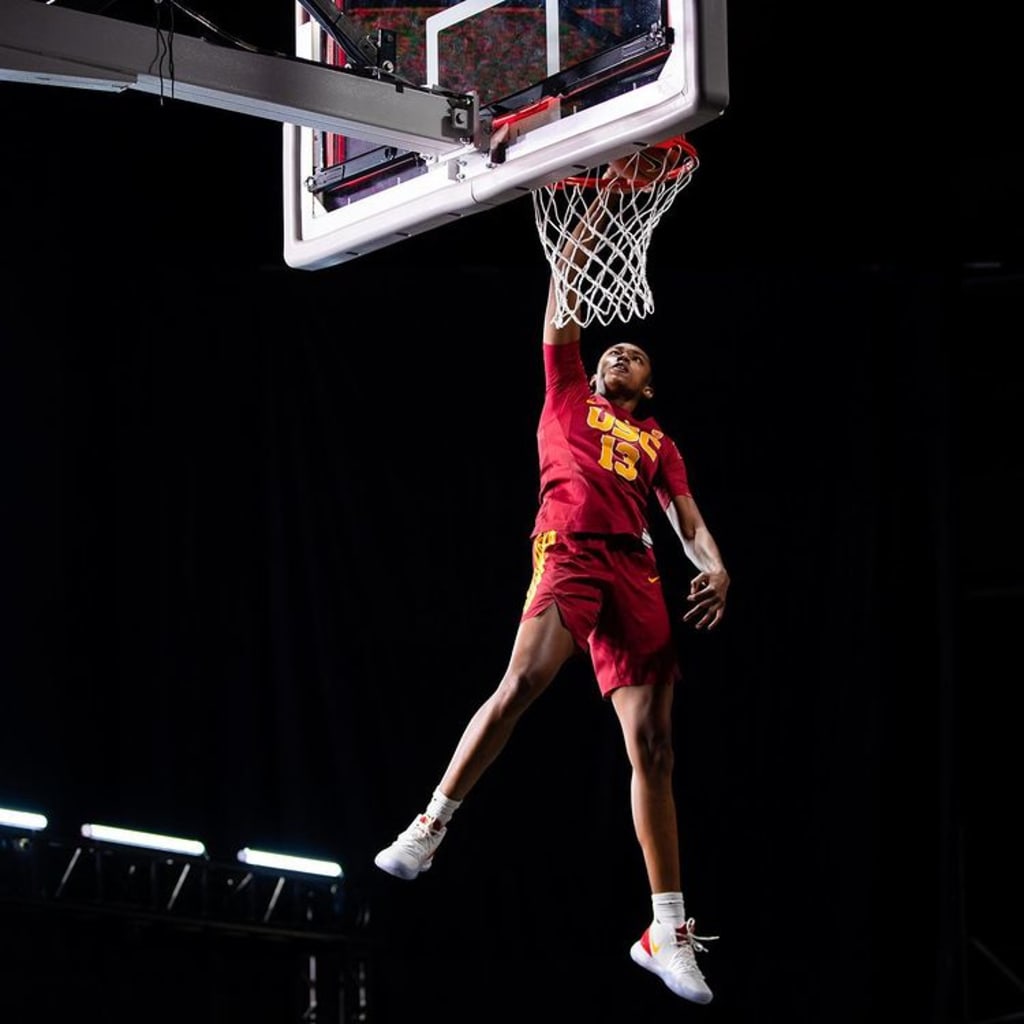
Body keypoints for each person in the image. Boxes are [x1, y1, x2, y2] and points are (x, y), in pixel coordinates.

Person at [374, 175, 730, 1004]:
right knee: (524, 680)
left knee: (655, 749)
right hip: (569, 549)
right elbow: (568, 273)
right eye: (612, 350)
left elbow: (687, 522)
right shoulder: (566, 388)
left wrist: (715, 565)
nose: (619, 354)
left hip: (636, 569)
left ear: (648, 385)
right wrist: (607, 197)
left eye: (634, 355)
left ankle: (666, 929)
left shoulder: (657, 441)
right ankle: (431, 825)